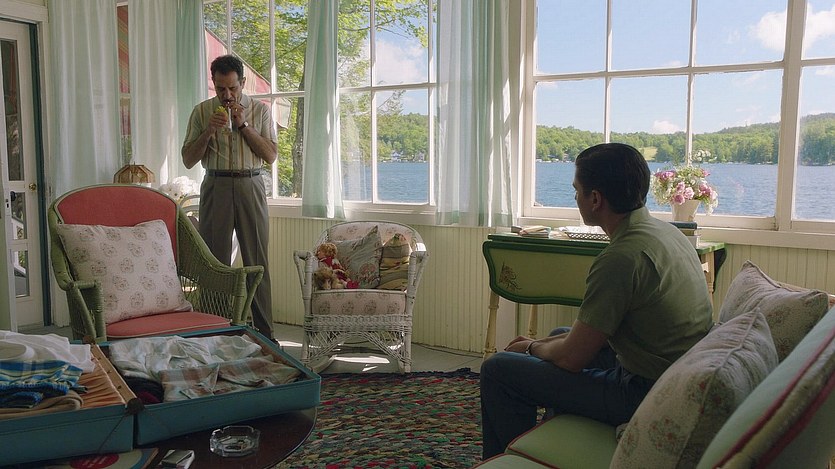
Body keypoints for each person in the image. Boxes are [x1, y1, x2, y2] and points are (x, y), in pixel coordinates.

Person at [480, 143, 714, 459]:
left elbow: (571, 359)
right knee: (561, 333)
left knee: (498, 369)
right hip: (675, 372)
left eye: (577, 191)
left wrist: (532, 347)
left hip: (646, 392)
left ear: (595, 199)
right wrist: (542, 345)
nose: (576, 198)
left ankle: (512, 461)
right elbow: (585, 340)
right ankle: (552, 441)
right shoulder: (667, 233)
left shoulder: (621, 257)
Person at [181, 54, 277, 339]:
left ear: (243, 83)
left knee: (256, 262)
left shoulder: (260, 111)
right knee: (215, 263)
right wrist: (209, 131)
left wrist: (244, 125)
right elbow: (188, 159)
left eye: (233, 88)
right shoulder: (201, 112)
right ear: (213, 83)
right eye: (220, 88)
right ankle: (217, 332)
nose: (227, 95)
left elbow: (270, 155)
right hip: (216, 185)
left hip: (251, 185)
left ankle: (265, 334)